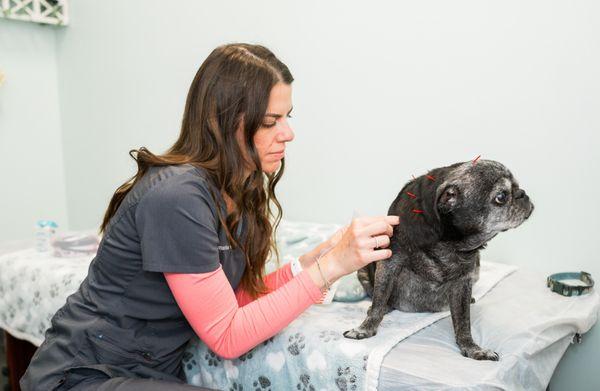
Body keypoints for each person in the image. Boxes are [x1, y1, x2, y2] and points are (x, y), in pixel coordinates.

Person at [20, 43, 399, 390]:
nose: (288, 133)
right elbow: (227, 335)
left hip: (145, 371)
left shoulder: (236, 192)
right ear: (223, 122)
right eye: (270, 122)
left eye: (288, 117)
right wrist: (330, 267)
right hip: (84, 375)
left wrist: (308, 265)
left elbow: (231, 303)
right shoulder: (177, 196)